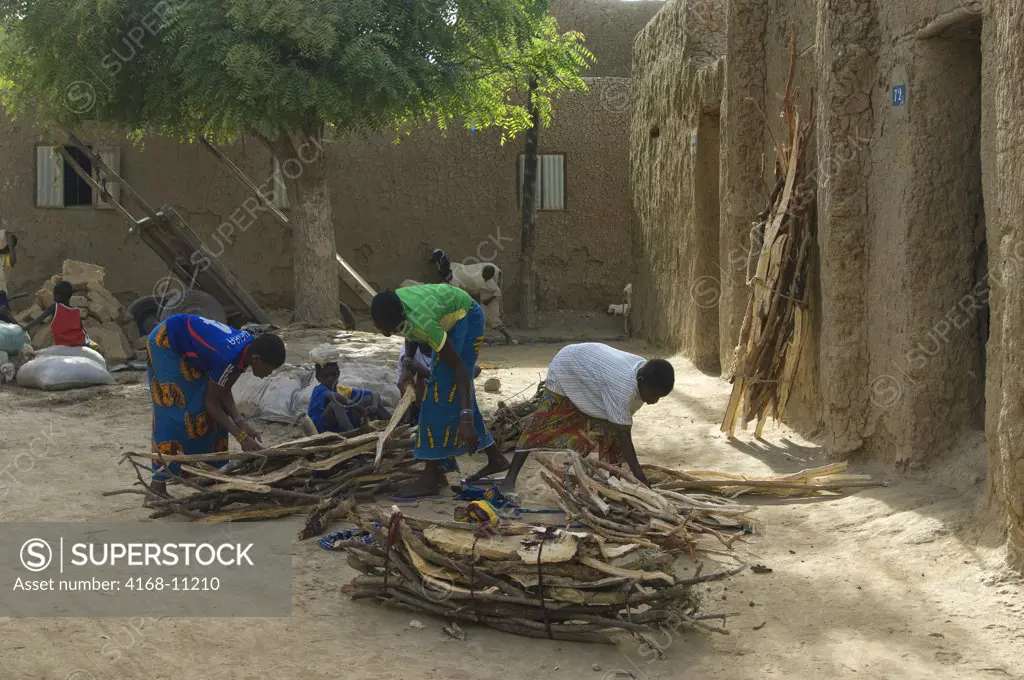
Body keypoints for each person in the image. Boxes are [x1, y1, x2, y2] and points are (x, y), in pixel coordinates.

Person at [370, 283, 509, 498]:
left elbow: (461, 371)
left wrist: (465, 418)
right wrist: (407, 363)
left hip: (467, 318)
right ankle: (495, 458)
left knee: (439, 394)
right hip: (446, 313)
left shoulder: (425, 324)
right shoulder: (398, 304)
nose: (382, 332)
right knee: (450, 393)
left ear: (395, 318)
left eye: (384, 327)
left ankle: (430, 478)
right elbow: (410, 331)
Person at [498, 342, 675, 492]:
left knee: (610, 430)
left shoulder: (643, 371)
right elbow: (625, 436)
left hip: (591, 376)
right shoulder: (623, 388)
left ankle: (615, 482)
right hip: (566, 367)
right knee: (540, 425)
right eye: (654, 395)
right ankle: (510, 479)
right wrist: (641, 480)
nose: (655, 401)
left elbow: (619, 430)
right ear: (642, 381)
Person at [146, 314, 286, 497]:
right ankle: (157, 485)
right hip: (167, 343)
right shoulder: (228, 356)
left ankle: (209, 473)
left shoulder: (247, 350)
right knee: (175, 412)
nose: (269, 374)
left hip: (193, 347)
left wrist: (240, 422)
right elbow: (211, 402)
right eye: (270, 369)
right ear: (258, 360)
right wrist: (241, 437)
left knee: (209, 417)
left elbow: (224, 390)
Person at [428, 249, 513, 344]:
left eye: (438, 263)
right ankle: (480, 339)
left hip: (488, 305)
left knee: (493, 322)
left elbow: (496, 293)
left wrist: (488, 301)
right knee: (482, 320)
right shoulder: (449, 273)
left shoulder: (453, 275)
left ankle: (507, 336)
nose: (438, 266)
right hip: (483, 304)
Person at [307, 361, 390, 433]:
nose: (330, 379)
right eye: (326, 376)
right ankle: (352, 433)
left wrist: (374, 407)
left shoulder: (342, 390)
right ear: (318, 378)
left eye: (333, 374)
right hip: (322, 428)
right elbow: (335, 397)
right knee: (335, 404)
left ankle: (392, 423)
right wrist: (360, 409)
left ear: (338, 374)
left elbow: (375, 394)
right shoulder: (318, 390)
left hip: (339, 427)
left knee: (369, 399)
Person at [22, 281, 98, 349]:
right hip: (79, 342)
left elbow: (39, 319)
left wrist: (25, 328)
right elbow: (81, 329)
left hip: (63, 344)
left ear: (57, 296)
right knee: (92, 344)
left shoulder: (55, 307)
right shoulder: (76, 311)